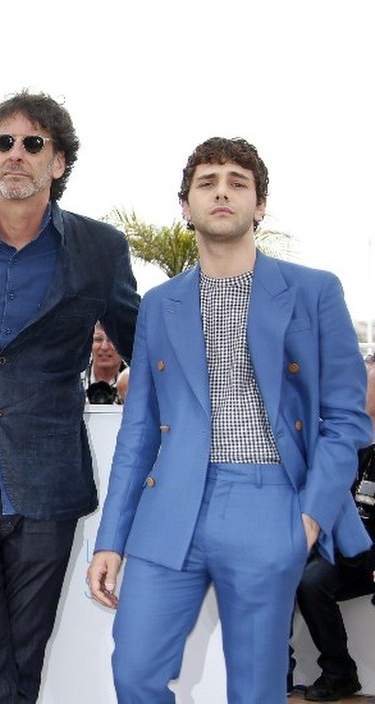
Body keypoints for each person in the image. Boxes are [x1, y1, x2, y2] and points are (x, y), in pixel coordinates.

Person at [88, 137, 372, 704]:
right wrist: (110, 538)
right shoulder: (161, 303)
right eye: (207, 183)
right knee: (134, 672)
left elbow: (346, 419)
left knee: (256, 688)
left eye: (237, 183)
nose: (222, 192)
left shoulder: (315, 291)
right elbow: (139, 430)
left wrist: (309, 519)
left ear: (259, 205)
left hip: (268, 502)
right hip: (171, 503)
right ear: (186, 205)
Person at [0, 91, 140, 701]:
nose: (15, 154)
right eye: (3, 143)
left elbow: (145, 347)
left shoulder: (99, 247)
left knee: (23, 662)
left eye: (33, 143)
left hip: (46, 485)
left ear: (58, 162)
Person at [292, 353, 375, 701]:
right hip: (332, 542)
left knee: (311, 582)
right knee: (281, 567)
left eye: (365, 384)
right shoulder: (335, 439)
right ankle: (277, 669)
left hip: (366, 553)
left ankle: (340, 672)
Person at [85, 321, 126, 405]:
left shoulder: (134, 382)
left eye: (111, 340)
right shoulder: (73, 380)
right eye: (98, 340)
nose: (104, 347)